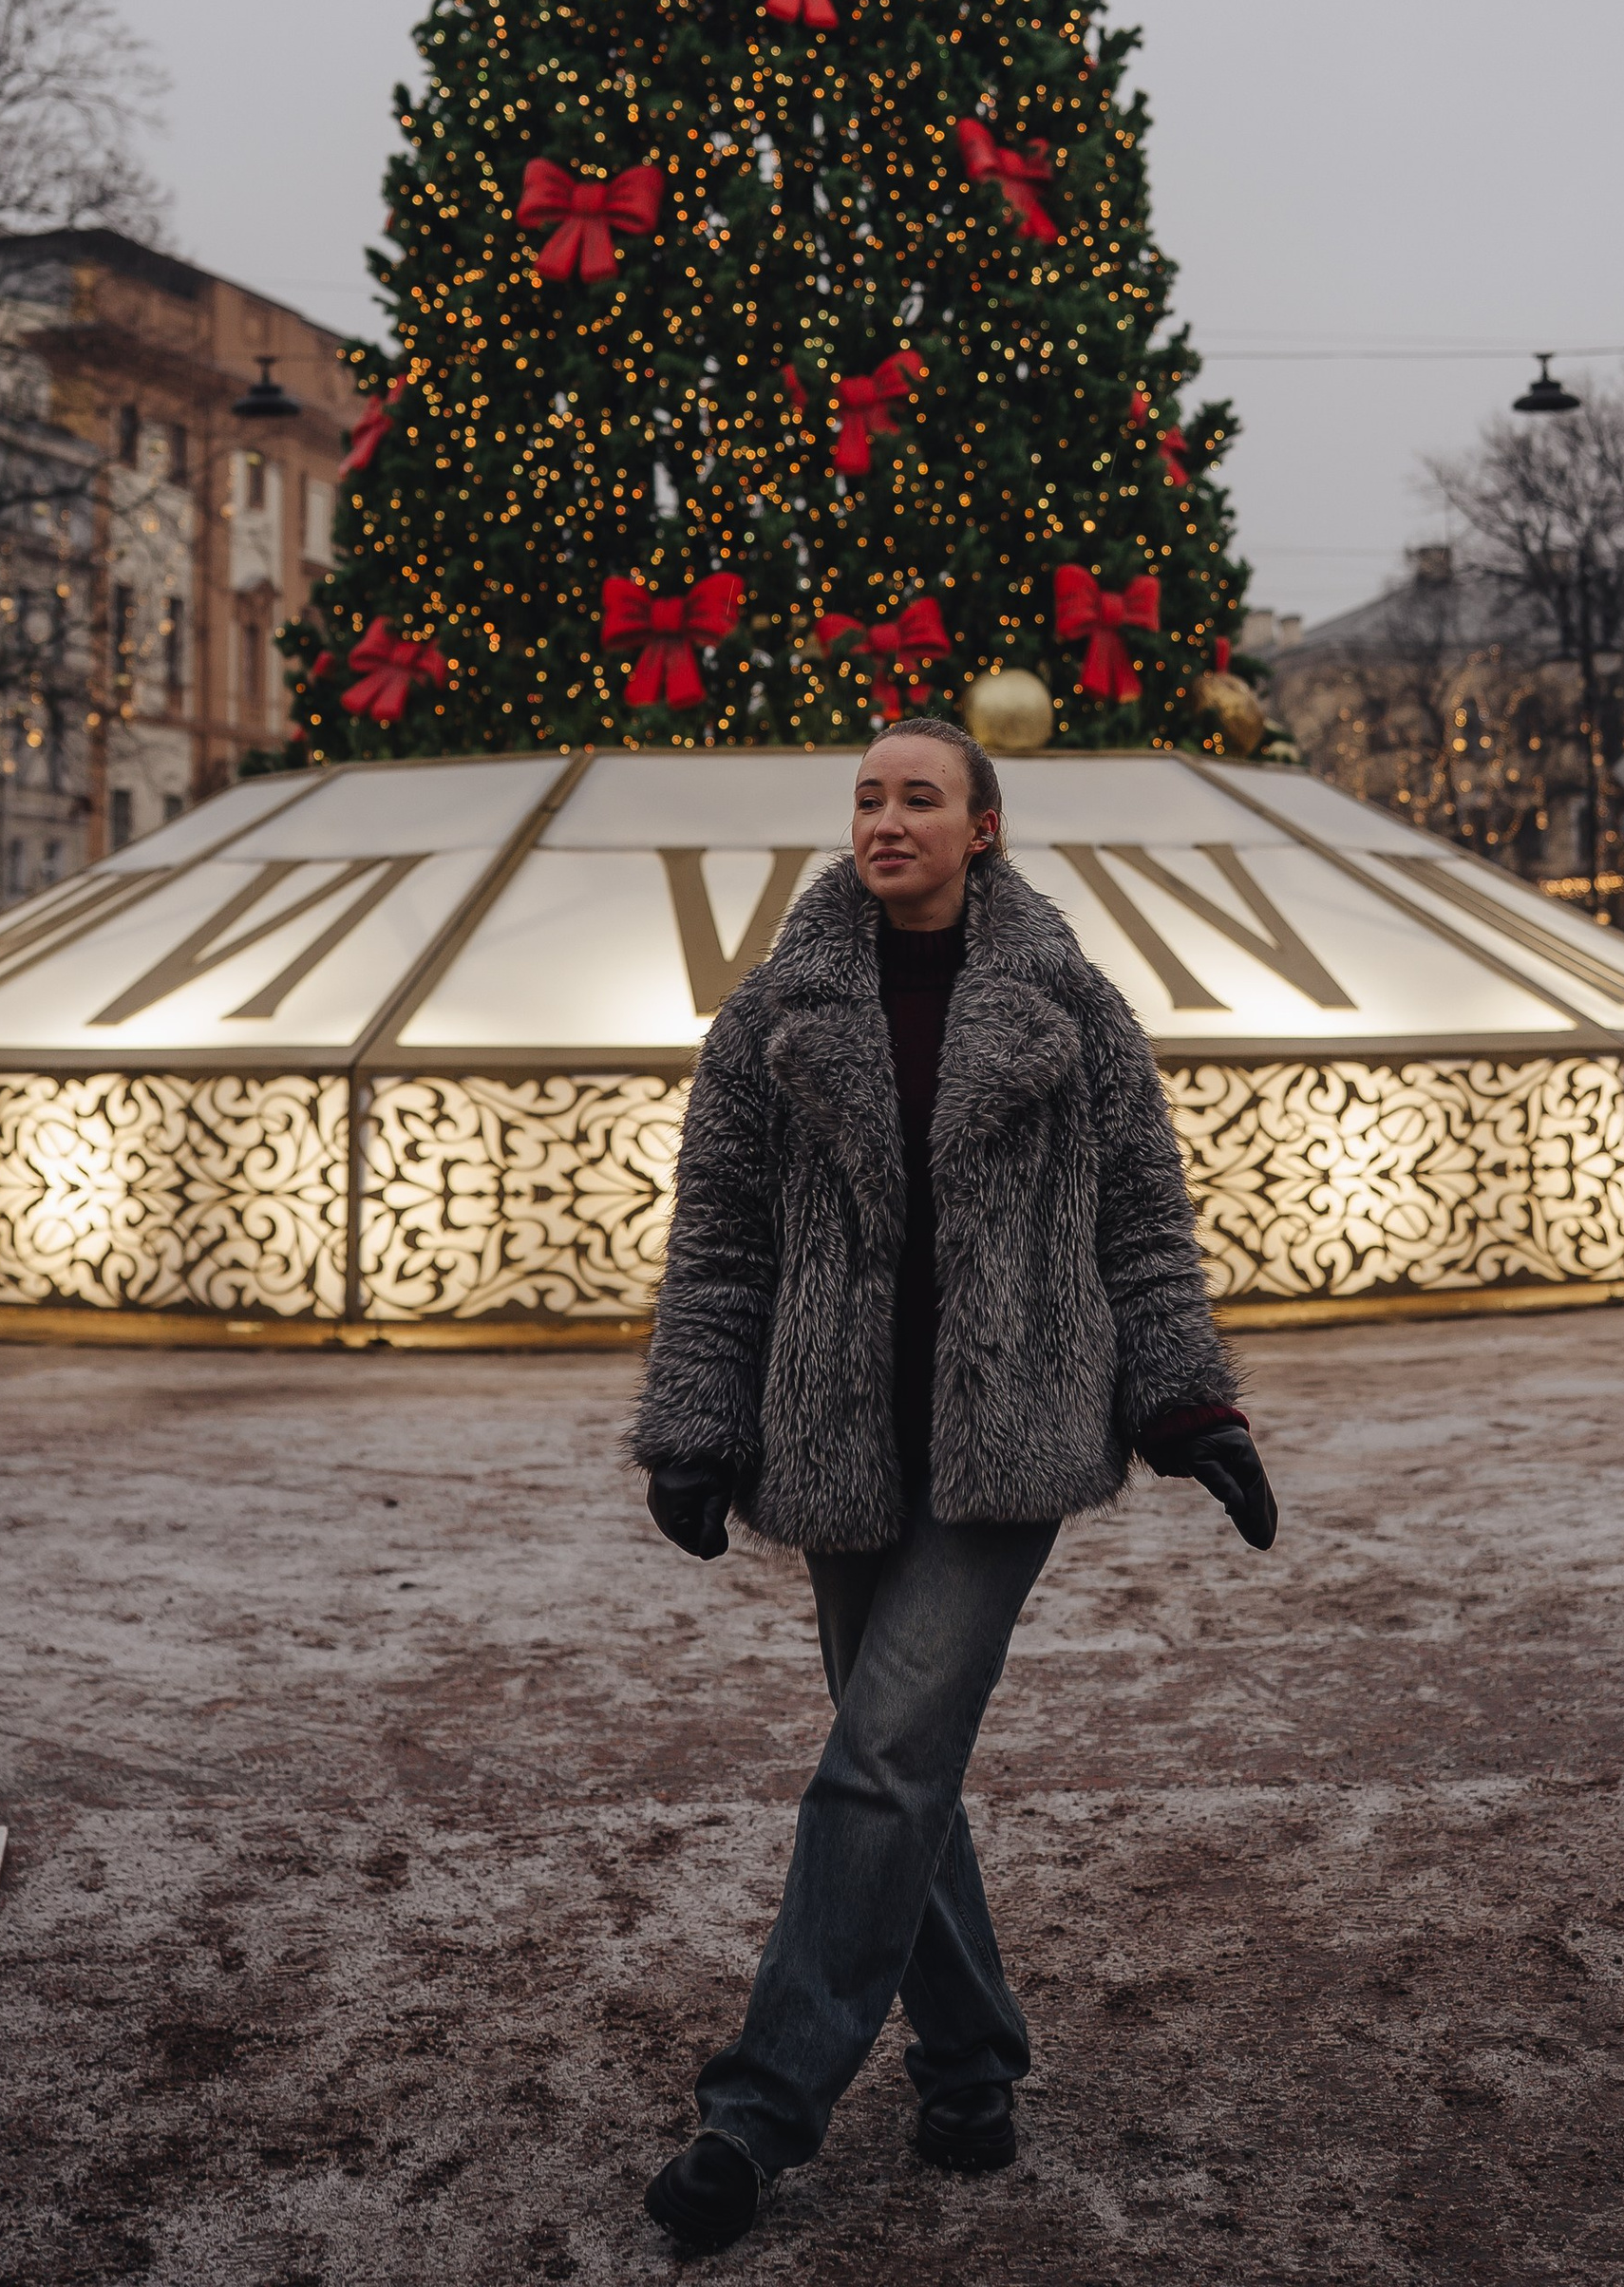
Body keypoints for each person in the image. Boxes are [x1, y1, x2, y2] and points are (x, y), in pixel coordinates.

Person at [633, 714, 1277, 2255]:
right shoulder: (772, 1015)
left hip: (1010, 1442)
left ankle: (758, 2115)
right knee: (898, 1767)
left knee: (878, 1763)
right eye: (867, 796)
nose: (886, 818)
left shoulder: (1071, 1007)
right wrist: (698, 1429)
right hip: (837, 1439)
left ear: (981, 826)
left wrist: (1191, 1408)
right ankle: (972, 2068)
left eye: (919, 796)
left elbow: (1142, 1223)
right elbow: (721, 1248)